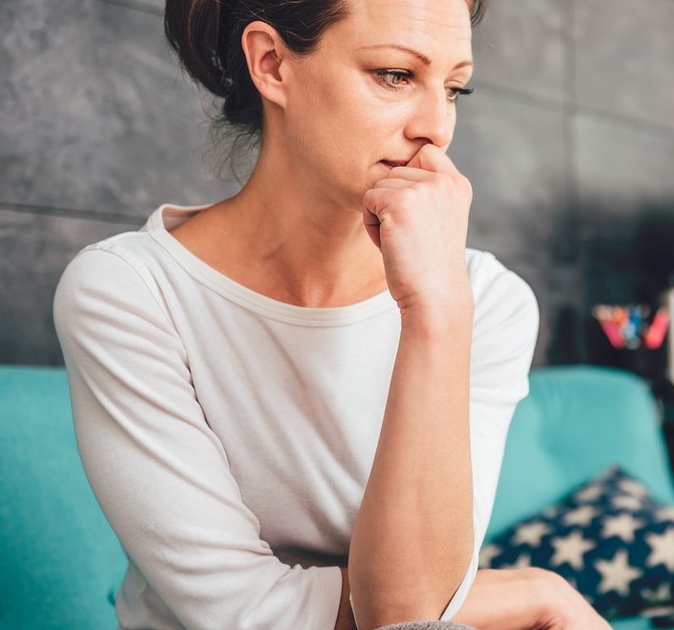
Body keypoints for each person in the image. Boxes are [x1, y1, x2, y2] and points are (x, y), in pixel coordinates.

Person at [53, 0, 610, 628]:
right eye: (396, 75)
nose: (437, 128)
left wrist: (436, 310)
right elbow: (254, 615)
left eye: (455, 88)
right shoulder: (128, 292)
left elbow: (415, 615)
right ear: (272, 64)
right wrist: (533, 593)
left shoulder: (485, 298)